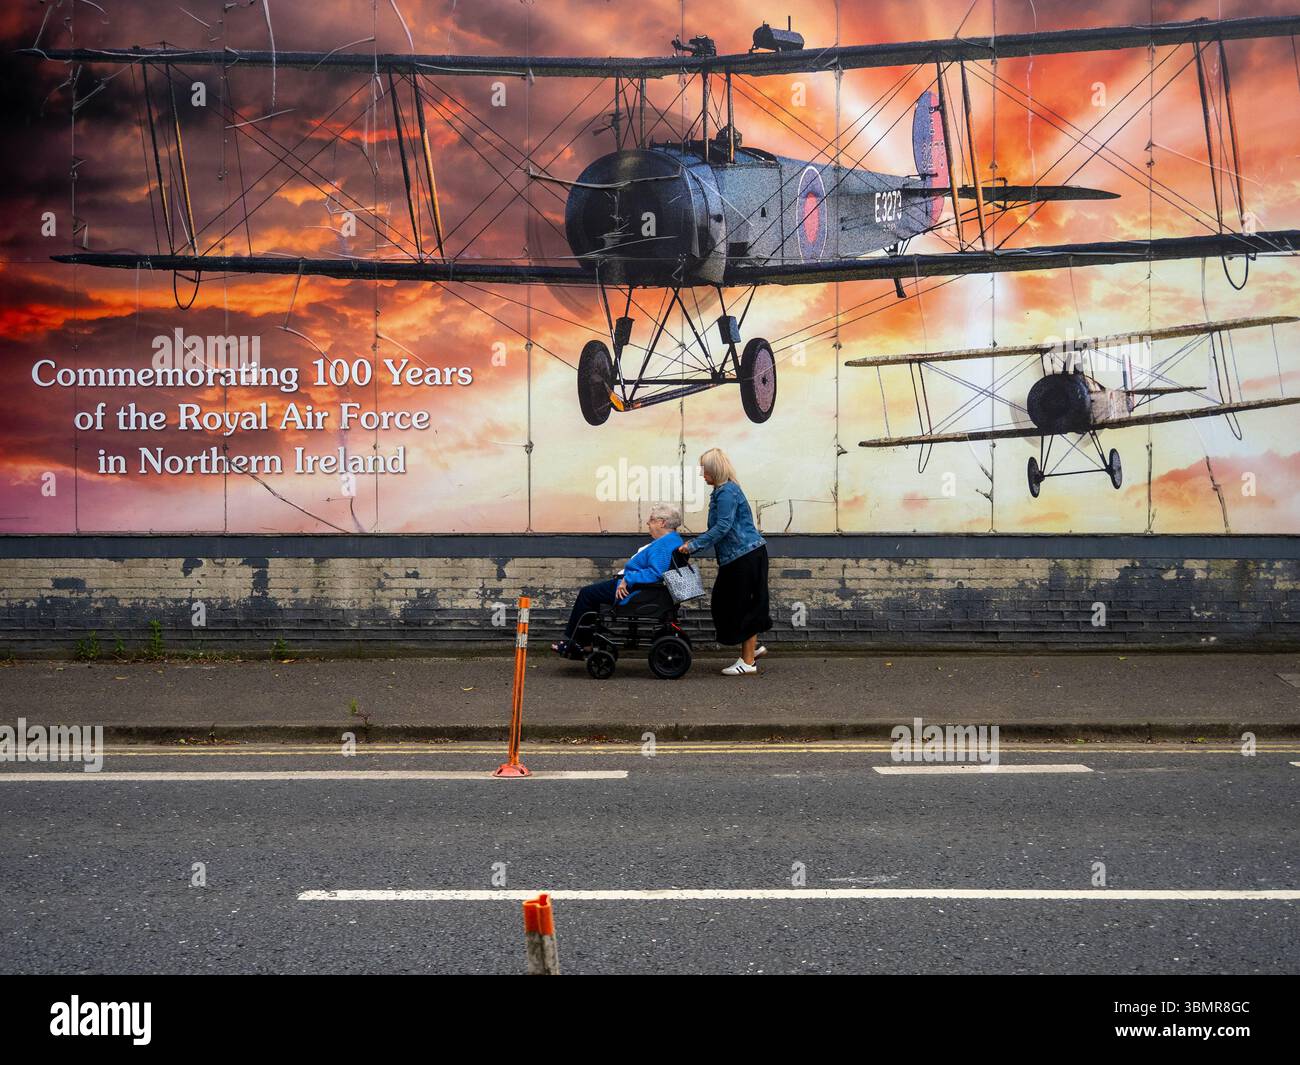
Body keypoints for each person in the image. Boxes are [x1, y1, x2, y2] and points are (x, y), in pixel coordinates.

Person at [675, 448, 771, 675]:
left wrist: (693, 546)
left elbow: (723, 527)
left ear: (714, 470)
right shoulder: (724, 490)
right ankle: (750, 650)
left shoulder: (726, 492)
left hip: (743, 556)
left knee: (732, 604)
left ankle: (747, 662)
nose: (702, 474)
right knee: (738, 603)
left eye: (704, 470)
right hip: (742, 555)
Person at [553, 503, 685, 658]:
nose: (648, 523)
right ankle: (584, 641)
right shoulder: (673, 539)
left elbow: (655, 574)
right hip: (635, 585)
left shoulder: (663, 545)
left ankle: (578, 643)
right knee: (593, 594)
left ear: (662, 523)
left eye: (651, 519)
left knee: (587, 594)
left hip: (633, 589)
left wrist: (628, 579)